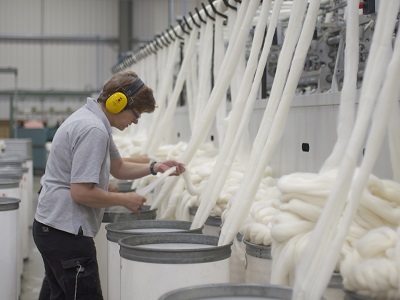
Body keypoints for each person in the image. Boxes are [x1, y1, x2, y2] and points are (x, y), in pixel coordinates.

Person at [32, 71, 185, 300]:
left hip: (52, 227)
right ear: (117, 103)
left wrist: (155, 167)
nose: (135, 121)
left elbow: (119, 167)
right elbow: (81, 192)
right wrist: (126, 199)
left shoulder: (95, 122)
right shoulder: (93, 130)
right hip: (66, 232)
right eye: (136, 115)